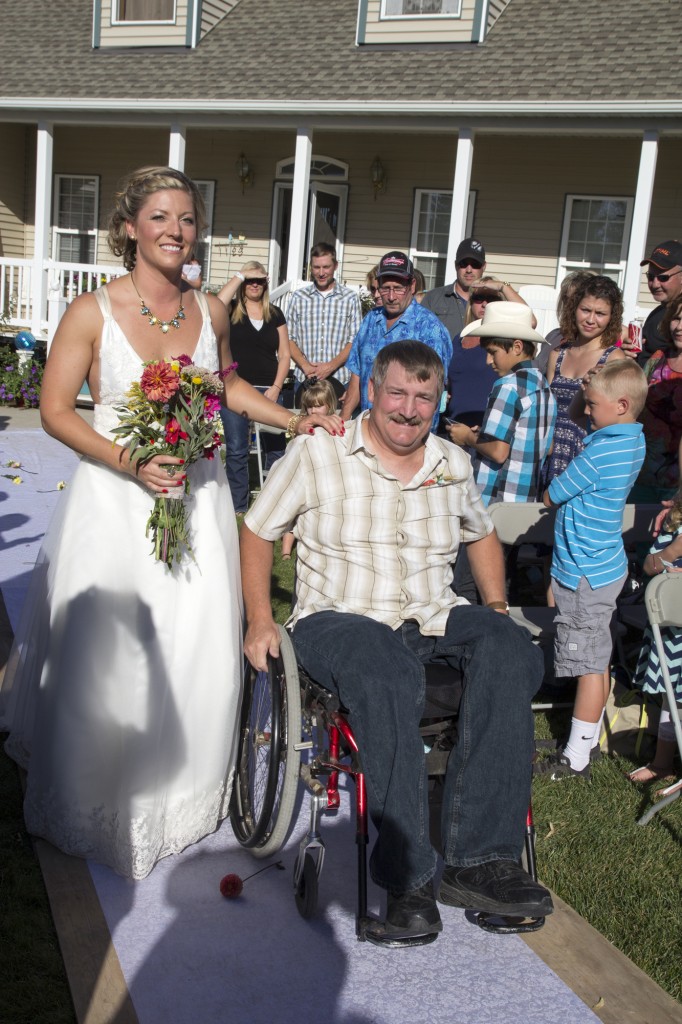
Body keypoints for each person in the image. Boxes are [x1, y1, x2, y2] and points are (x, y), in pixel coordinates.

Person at [0, 166, 341, 880]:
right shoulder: (92, 313)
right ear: (129, 226)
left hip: (200, 495)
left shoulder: (208, 313)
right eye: (160, 217)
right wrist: (131, 460)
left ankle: (180, 794)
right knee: (109, 650)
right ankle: (98, 795)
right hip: (116, 506)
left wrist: (294, 418)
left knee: (193, 641)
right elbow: (58, 409)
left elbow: (228, 387)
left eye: (186, 219)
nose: (175, 231)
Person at [241, 340, 553, 945]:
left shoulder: (451, 463)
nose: (409, 410)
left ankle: (481, 860)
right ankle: (408, 879)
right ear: (374, 391)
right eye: (398, 393)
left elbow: (481, 535)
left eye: (424, 397)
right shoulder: (318, 453)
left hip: (433, 614)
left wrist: (494, 608)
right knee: (385, 667)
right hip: (339, 617)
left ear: (438, 403)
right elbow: (257, 533)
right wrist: (259, 619)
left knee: (511, 647)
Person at [537, 360, 648, 779]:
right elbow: (583, 414)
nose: (587, 409)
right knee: (597, 658)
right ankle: (586, 737)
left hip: (583, 571)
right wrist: (590, 391)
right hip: (606, 564)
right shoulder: (631, 440)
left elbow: (553, 495)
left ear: (620, 405)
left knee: (586, 665)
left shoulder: (600, 451)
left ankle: (576, 757)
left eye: (594, 404)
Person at [447, 303, 556, 506]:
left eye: (493, 352)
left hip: (496, 497)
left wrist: (468, 437)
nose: (488, 360)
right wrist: (486, 433)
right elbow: (546, 446)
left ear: (517, 347)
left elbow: (498, 452)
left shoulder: (507, 386)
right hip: (526, 499)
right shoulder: (544, 386)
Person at [341, 250, 452, 426]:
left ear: (412, 285)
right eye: (385, 288)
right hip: (367, 431)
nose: (391, 297)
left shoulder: (430, 329)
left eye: (398, 289)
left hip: (404, 435)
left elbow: (433, 392)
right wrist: (343, 423)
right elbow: (357, 374)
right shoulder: (370, 320)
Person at [216, 262, 291, 514]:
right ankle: (237, 507)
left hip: (269, 389)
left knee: (277, 449)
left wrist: (277, 387)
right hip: (236, 391)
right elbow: (216, 303)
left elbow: (285, 355)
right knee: (237, 449)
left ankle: (273, 506)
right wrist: (240, 274)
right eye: (250, 280)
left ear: (266, 284)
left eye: (259, 280)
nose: (254, 284)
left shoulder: (276, 314)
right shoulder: (230, 310)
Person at [540, 276, 626, 489]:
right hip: (549, 452)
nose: (590, 319)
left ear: (612, 317)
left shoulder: (615, 359)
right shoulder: (557, 354)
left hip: (586, 458)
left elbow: (617, 422)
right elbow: (547, 410)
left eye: (600, 314)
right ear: (574, 309)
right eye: (585, 310)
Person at [627, 486, 682, 784]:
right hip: (673, 633)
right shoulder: (674, 522)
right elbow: (649, 566)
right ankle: (662, 762)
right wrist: (672, 552)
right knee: (670, 697)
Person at [286, 241, 362, 401]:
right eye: (316, 267)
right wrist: (305, 366)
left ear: (335, 266)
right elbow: (288, 339)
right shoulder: (299, 298)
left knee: (338, 425)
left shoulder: (350, 298)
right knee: (304, 425)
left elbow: (355, 341)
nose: (321, 273)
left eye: (326, 267)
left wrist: (330, 366)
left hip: (340, 380)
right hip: (305, 380)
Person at [421, 237, 530, 342]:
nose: (469, 270)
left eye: (475, 264)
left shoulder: (495, 300)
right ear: (456, 265)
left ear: (484, 266)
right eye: (463, 264)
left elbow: (529, 320)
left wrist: (504, 286)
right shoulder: (433, 297)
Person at [629, 294, 682, 504]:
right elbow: (635, 399)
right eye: (676, 319)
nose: (679, 327)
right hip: (641, 472)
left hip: (677, 483)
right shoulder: (658, 358)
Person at [281, 377, 338, 560]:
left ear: (329, 405)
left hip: (326, 475)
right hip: (303, 474)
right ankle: (286, 551)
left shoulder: (334, 424)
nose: (313, 410)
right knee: (292, 515)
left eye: (318, 405)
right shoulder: (303, 425)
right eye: (310, 406)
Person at [444, 275, 503, 430]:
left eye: (491, 299)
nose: (484, 304)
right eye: (479, 298)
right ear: (471, 302)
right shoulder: (459, 337)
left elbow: (531, 322)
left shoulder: (503, 338)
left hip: (484, 430)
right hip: (453, 426)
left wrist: (503, 287)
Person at [623, 240, 682, 365]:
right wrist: (631, 353)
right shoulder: (657, 312)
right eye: (650, 277)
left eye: (663, 278)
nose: (655, 284)